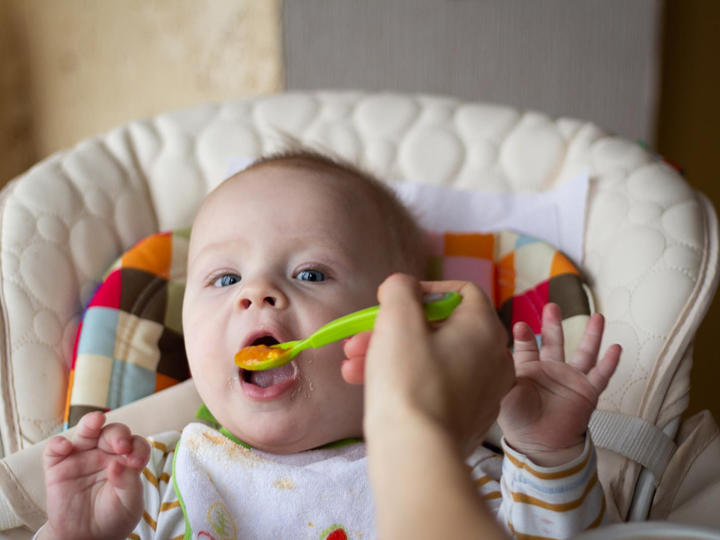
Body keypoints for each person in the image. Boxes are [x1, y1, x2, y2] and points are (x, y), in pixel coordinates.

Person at [38, 149, 621, 540]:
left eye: (312, 274)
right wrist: (77, 535)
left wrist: (548, 457)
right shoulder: (145, 481)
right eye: (224, 278)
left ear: (402, 328)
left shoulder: (455, 468)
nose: (257, 294)